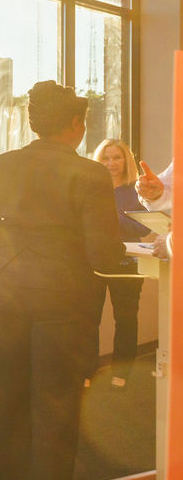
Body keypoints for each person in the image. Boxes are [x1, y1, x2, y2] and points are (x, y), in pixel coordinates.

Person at [0, 80, 124, 480]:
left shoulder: (0, 165)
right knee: (56, 407)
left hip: (6, 296)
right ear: (75, 124)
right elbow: (103, 255)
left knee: (5, 395)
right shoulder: (89, 175)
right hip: (64, 301)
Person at [92, 139, 151, 388]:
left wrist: (113, 219)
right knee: (88, 319)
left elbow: (144, 227)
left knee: (126, 318)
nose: (111, 163)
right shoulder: (92, 188)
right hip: (94, 261)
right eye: (106, 158)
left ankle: (122, 374)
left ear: (126, 160)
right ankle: (87, 372)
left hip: (127, 262)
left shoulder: (137, 190)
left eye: (117, 157)